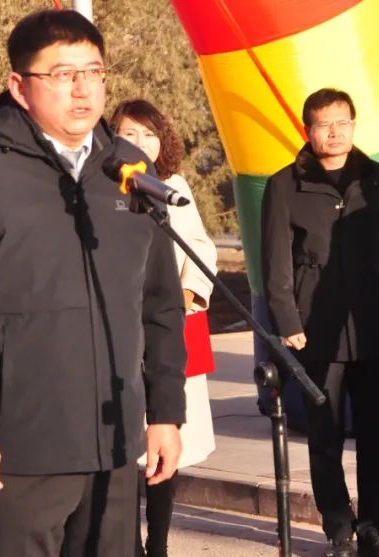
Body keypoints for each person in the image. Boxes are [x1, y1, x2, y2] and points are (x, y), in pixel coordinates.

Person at [0, 9, 187, 557]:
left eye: (93, 72)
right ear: (20, 87)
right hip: (18, 449)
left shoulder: (129, 171)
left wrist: (165, 412)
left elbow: (160, 304)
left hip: (113, 442)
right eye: (63, 75)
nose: (83, 90)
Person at [261, 88, 379, 557]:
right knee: (324, 433)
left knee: (375, 433)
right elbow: (275, 264)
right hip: (315, 327)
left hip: (371, 323)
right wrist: (288, 319)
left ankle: (375, 527)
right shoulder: (285, 184)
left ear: (353, 124)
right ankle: (338, 527)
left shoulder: (375, 178)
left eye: (342, 122)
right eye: (324, 124)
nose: (334, 132)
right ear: (307, 130)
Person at [111, 99, 217, 557]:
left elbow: (199, 246)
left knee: (165, 440)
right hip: (119, 330)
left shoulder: (172, 186)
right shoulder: (105, 185)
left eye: (148, 135)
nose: (139, 143)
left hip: (165, 327)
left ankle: (158, 541)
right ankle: (127, 543)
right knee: (123, 447)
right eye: (129, 134)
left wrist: (187, 293)